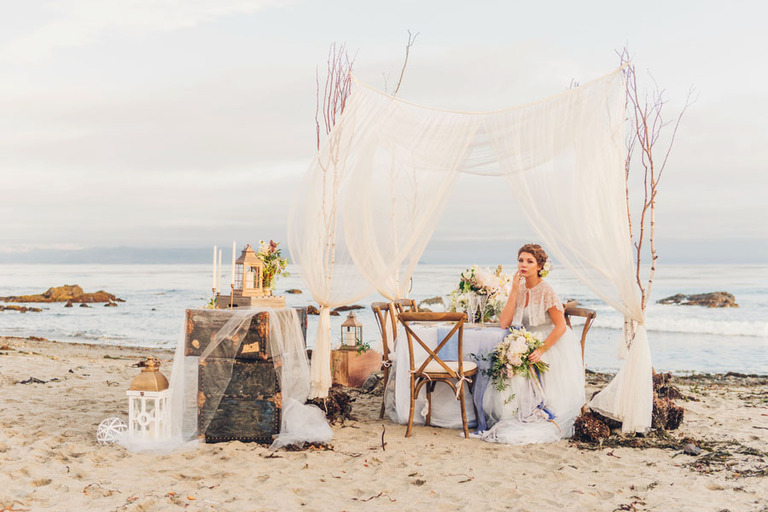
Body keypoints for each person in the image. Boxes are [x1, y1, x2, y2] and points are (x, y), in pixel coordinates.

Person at [481, 243, 585, 444]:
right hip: (525, 339)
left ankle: (533, 409)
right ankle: (509, 413)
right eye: (521, 260)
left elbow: (561, 326)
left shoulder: (546, 290)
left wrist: (541, 349)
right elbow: (504, 322)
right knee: (506, 365)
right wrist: (513, 291)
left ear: (539, 266)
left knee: (521, 366)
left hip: (550, 341)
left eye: (530, 261)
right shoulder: (518, 289)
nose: (524, 265)